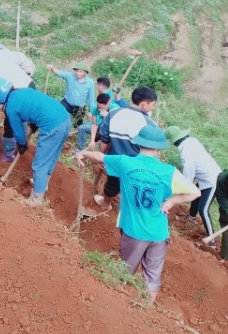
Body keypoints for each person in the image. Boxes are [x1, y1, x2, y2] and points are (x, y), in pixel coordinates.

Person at [77, 125, 199, 301]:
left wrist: (83, 153)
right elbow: (195, 192)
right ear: (159, 149)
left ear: (138, 144)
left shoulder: (126, 162)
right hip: (159, 233)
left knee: (125, 270)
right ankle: (146, 308)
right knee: (152, 278)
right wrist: (171, 201)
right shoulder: (169, 172)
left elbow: (100, 157)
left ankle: (119, 303)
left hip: (134, 230)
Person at [0, 77, 71, 203]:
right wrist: (35, 122)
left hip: (52, 126)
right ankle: (42, 183)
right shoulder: (23, 91)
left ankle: (36, 200)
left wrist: (21, 143)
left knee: (40, 164)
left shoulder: (11, 107)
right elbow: (37, 104)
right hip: (64, 119)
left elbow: (18, 130)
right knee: (52, 156)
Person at [93, 87, 157, 207]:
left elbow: (104, 139)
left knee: (112, 184)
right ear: (143, 104)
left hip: (115, 161)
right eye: (152, 105)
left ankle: (106, 203)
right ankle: (126, 206)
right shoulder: (149, 124)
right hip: (136, 165)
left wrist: (102, 157)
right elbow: (151, 150)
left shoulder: (113, 114)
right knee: (132, 186)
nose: (152, 108)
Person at [165, 126, 221, 238]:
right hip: (204, 176)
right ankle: (191, 218)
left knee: (203, 209)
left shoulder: (185, 151)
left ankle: (211, 238)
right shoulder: (191, 141)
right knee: (196, 195)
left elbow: (188, 172)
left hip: (212, 180)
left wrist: (183, 189)